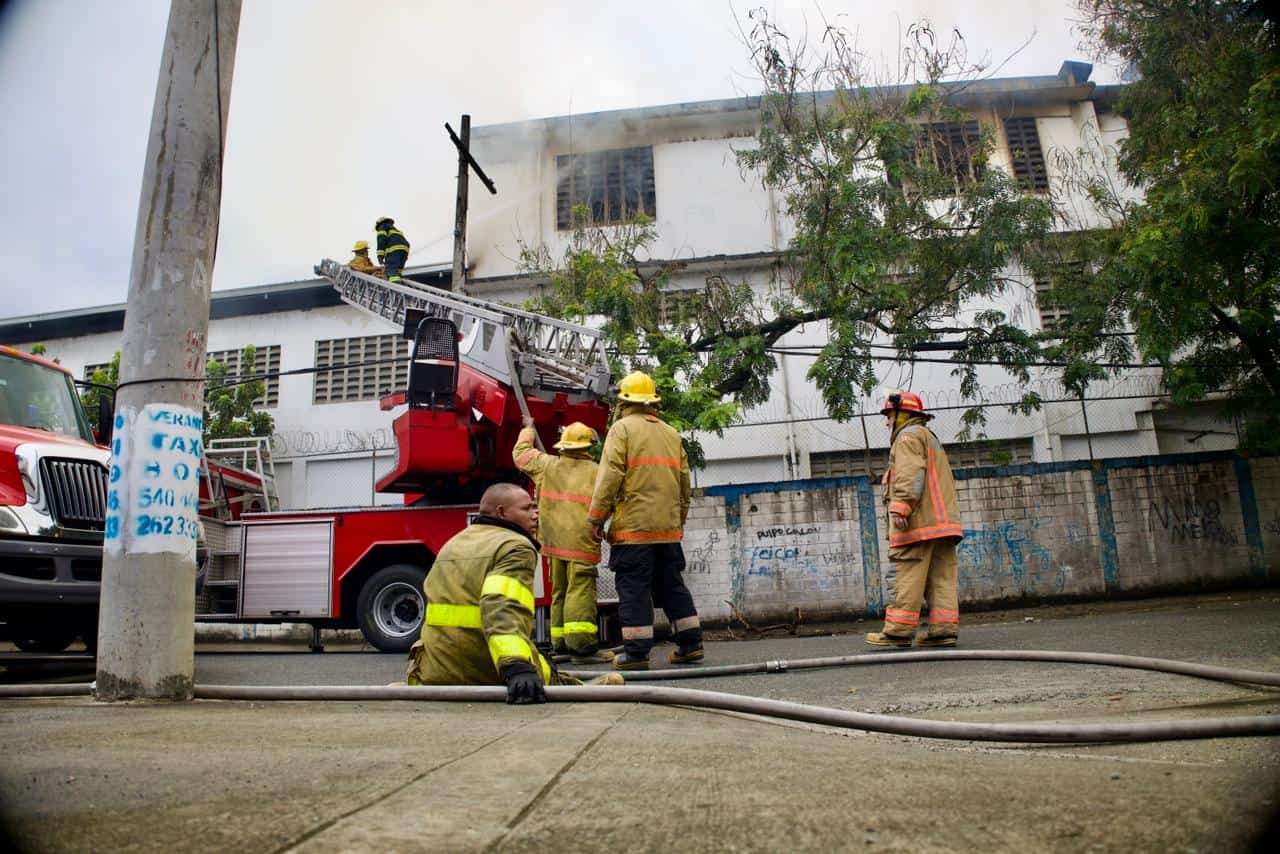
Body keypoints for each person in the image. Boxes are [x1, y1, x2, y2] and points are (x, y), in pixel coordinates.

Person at [405, 483, 585, 703]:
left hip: (436, 671)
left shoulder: (455, 542)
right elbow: (502, 607)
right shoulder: (515, 546)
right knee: (559, 681)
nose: (536, 514)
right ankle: (602, 686)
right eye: (527, 508)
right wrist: (516, 666)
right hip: (486, 668)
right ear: (501, 512)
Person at [588, 371, 703, 671]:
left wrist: (596, 518)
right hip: (667, 531)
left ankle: (637, 654)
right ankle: (691, 644)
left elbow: (610, 477)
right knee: (672, 586)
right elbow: (683, 484)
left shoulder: (621, 430)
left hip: (634, 532)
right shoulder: (670, 433)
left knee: (634, 588)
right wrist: (678, 520)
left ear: (623, 402)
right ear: (652, 402)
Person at [865, 391, 964, 648]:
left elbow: (910, 474)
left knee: (909, 573)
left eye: (889, 416)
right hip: (943, 525)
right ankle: (943, 630)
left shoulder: (907, 437)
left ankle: (898, 631)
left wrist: (901, 508)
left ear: (902, 415)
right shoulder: (928, 437)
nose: (887, 422)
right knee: (941, 576)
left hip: (920, 523)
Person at [513, 417, 613, 664]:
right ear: (588, 448)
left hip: (552, 542)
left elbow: (520, 454)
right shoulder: (598, 472)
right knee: (579, 590)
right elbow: (610, 503)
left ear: (563, 445)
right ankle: (581, 647)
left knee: (559, 590)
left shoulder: (547, 465)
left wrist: (528, 428)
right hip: (582, 542)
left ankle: (559, 644)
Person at [375, 216, 410, 283]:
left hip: (394, 251)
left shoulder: (382, 228)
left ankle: (396, 285)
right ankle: (398, 278)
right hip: (404, 250)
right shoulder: (396, 230)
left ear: (379, 224)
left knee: (391, 268)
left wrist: (380, 256)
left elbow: (381, 241)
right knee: (397, 270)